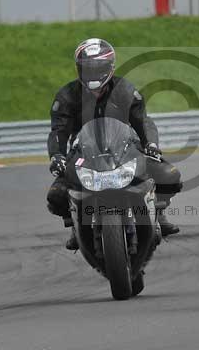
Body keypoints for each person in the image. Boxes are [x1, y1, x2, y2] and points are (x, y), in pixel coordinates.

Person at [46, 38, 182, 250]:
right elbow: (58, 132)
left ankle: (157, 213)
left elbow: (142, 121)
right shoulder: (66, 96)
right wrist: (57, 156)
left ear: (109, 67)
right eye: (86, 68)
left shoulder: (125, 90)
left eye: (97, 67)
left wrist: (151, 145)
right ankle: (75, 223)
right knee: (56, 195)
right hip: (83, 154)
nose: (92, 74)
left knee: (170, 175)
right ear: (78, 69)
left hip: (124, 149)